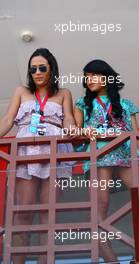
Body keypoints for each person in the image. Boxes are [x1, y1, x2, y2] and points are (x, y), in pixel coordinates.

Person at [74, 59, 139, 264]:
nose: (89, 80)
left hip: (126, 154)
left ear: (107, 77)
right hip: (100, 154)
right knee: (100, 205)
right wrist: (84, 131)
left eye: (94, 75)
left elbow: (136, 136)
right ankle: (110, 259)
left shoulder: (126, 104)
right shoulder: (81, 103)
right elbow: (76, 132)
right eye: (87, 77)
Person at [0, 48, 76, 264]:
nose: (38, 72)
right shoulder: (21, 91)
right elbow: (7, 120)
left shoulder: (64, 93)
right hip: (26, 151)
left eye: (42, 67)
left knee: (48, 215)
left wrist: (73, 129)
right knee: (23, 212)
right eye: (33, 69)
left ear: (52, 69)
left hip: (55, 151)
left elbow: (68, 119)